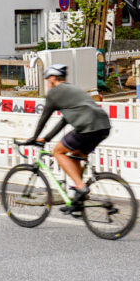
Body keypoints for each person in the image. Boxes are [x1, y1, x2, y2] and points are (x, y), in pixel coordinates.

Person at [26, 63, 112, 214]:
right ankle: (77, 200)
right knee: (75, 155)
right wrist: (46, 138)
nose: (47, 83)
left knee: (57, 152)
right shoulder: (73, 89)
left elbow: (44, 118)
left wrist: (34, 137)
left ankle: (81, 187)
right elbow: (64, 120)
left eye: (47, 80)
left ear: (52, 78)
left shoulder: (55, 93)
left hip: (88, 127)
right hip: (103, 126)